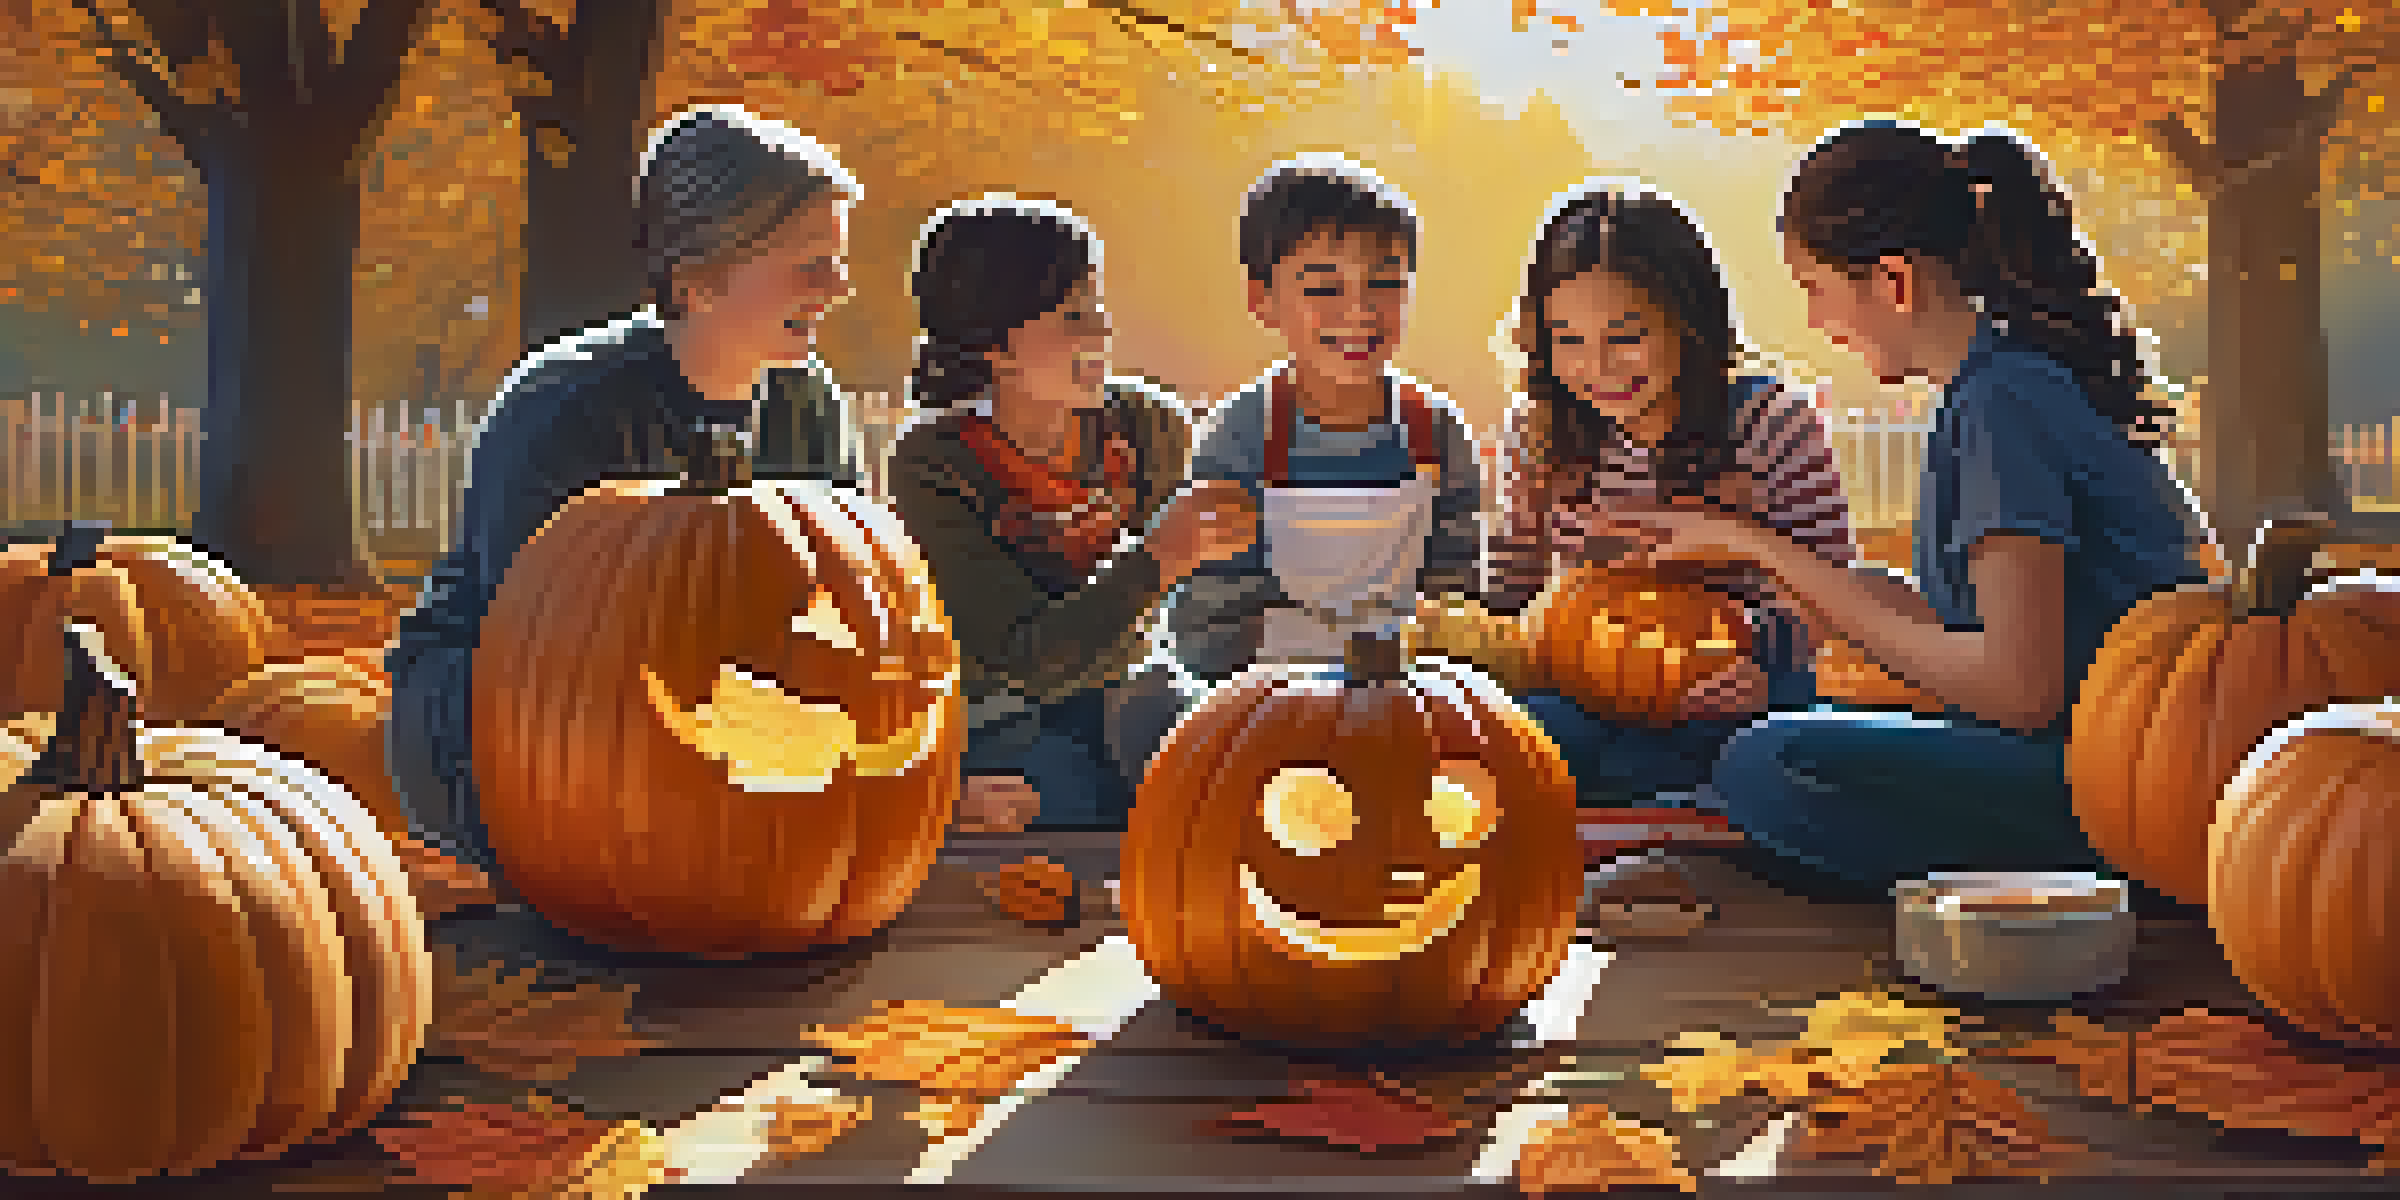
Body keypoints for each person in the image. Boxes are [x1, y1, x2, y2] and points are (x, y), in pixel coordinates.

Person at [1584, 122, 2209, 899]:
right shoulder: (1996, 383)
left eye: (1815, 289)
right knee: (1774, 743)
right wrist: (1760, 560)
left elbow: (2020, 691)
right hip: (2078, 749)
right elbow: (1982, 629)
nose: (1816, 322)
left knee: (1769, 762)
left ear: (1894, 282)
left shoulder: (2001, 402)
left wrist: (1765, 550)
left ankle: (2064, 878)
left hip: (2109, 779)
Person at [386, 105, 863, 878]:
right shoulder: (564, 406)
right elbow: (542, 637)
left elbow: (856, 594)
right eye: (811, 263)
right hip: (521, 718)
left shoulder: (808, 406)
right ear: (700, 279)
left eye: (838, 261)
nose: (838, 287)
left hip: (723, 704)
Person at [886, 196, 1258, 833]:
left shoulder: (1150, 428)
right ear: (993, 346)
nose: (1100, 336)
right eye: (1072, 318)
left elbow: (1188, 611)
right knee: (1060, 803)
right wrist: (1161, 556)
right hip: (1009, 711)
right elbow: (1023, 658)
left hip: (1138, 690)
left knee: (1230, 792)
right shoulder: (934, 463)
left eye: (1097, 310)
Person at [1481, 181, 1858, 806]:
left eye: (1626, 337)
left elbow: (1835, 589)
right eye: (1569, 341)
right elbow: (1512, 579)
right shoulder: (1540, 432)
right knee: (1536, 739)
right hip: (1584, 692)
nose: (1597, 367)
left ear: (1687, 321)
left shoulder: (1768, 422)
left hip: (1736, 691)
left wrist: (1766, 670)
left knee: (1734, 757)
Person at [1168, 155, 1485, 680]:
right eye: (1324, 288)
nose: (1359, 310)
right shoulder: (1242, 435)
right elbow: (1211, 616)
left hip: (1408, 689)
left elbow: (1455, 585)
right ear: (1262, 299)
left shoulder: (1436, 431)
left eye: (1385, 283)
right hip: (1268, 690)